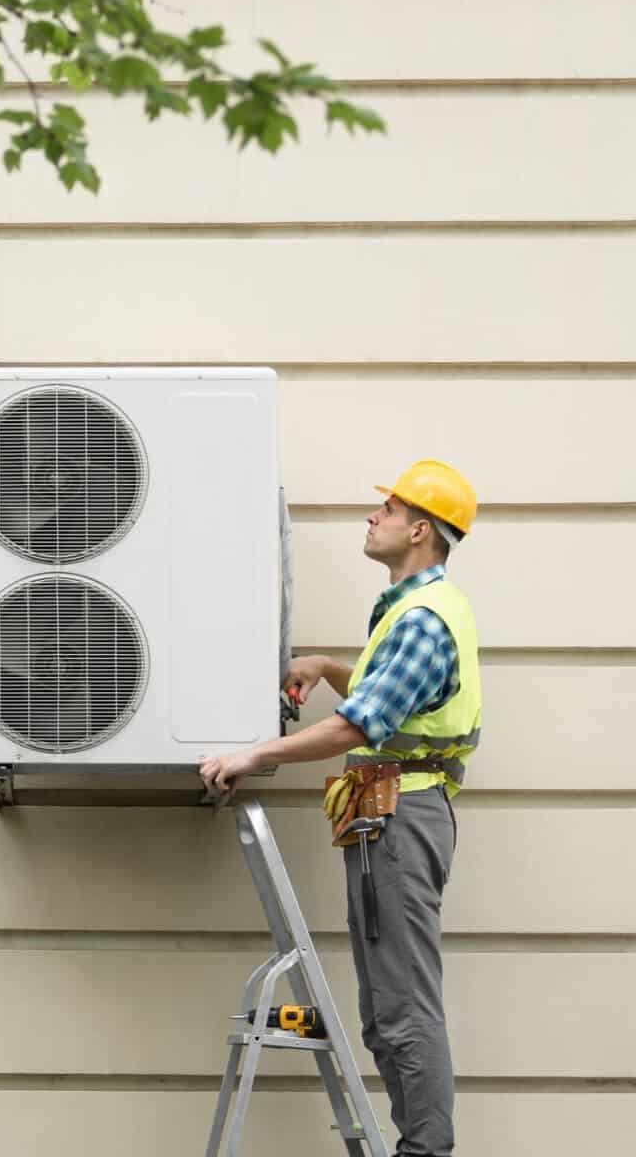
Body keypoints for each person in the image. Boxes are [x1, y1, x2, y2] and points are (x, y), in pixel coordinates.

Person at [199, 459, 481, 1157]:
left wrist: (251, 755)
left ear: (419, 530)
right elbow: (387, 697)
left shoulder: (421, 619)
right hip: (387, 819)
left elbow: (360, 726)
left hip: (401, 823)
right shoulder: (413, 611)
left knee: (402, 1008)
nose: (371, 517)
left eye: (386, 509)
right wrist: (327, 668)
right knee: (387, 1011)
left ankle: (425, 1151)